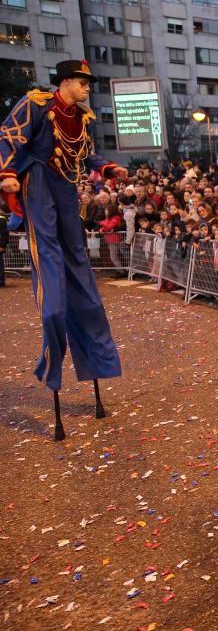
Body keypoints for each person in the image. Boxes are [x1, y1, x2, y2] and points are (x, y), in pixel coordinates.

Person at [0, 59, 126, 422]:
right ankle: (53, 328)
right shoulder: (37, 103)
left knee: (79, 265)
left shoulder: (80, 118)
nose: (88, 88)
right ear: (66, 81)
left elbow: (84, 154)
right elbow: (8, 136)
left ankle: (95, 356)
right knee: (51, 270)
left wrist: (107, 167)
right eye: (83, 82)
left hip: (66, 188)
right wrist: (6, 173)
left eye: (89, 83)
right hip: (38, 181)